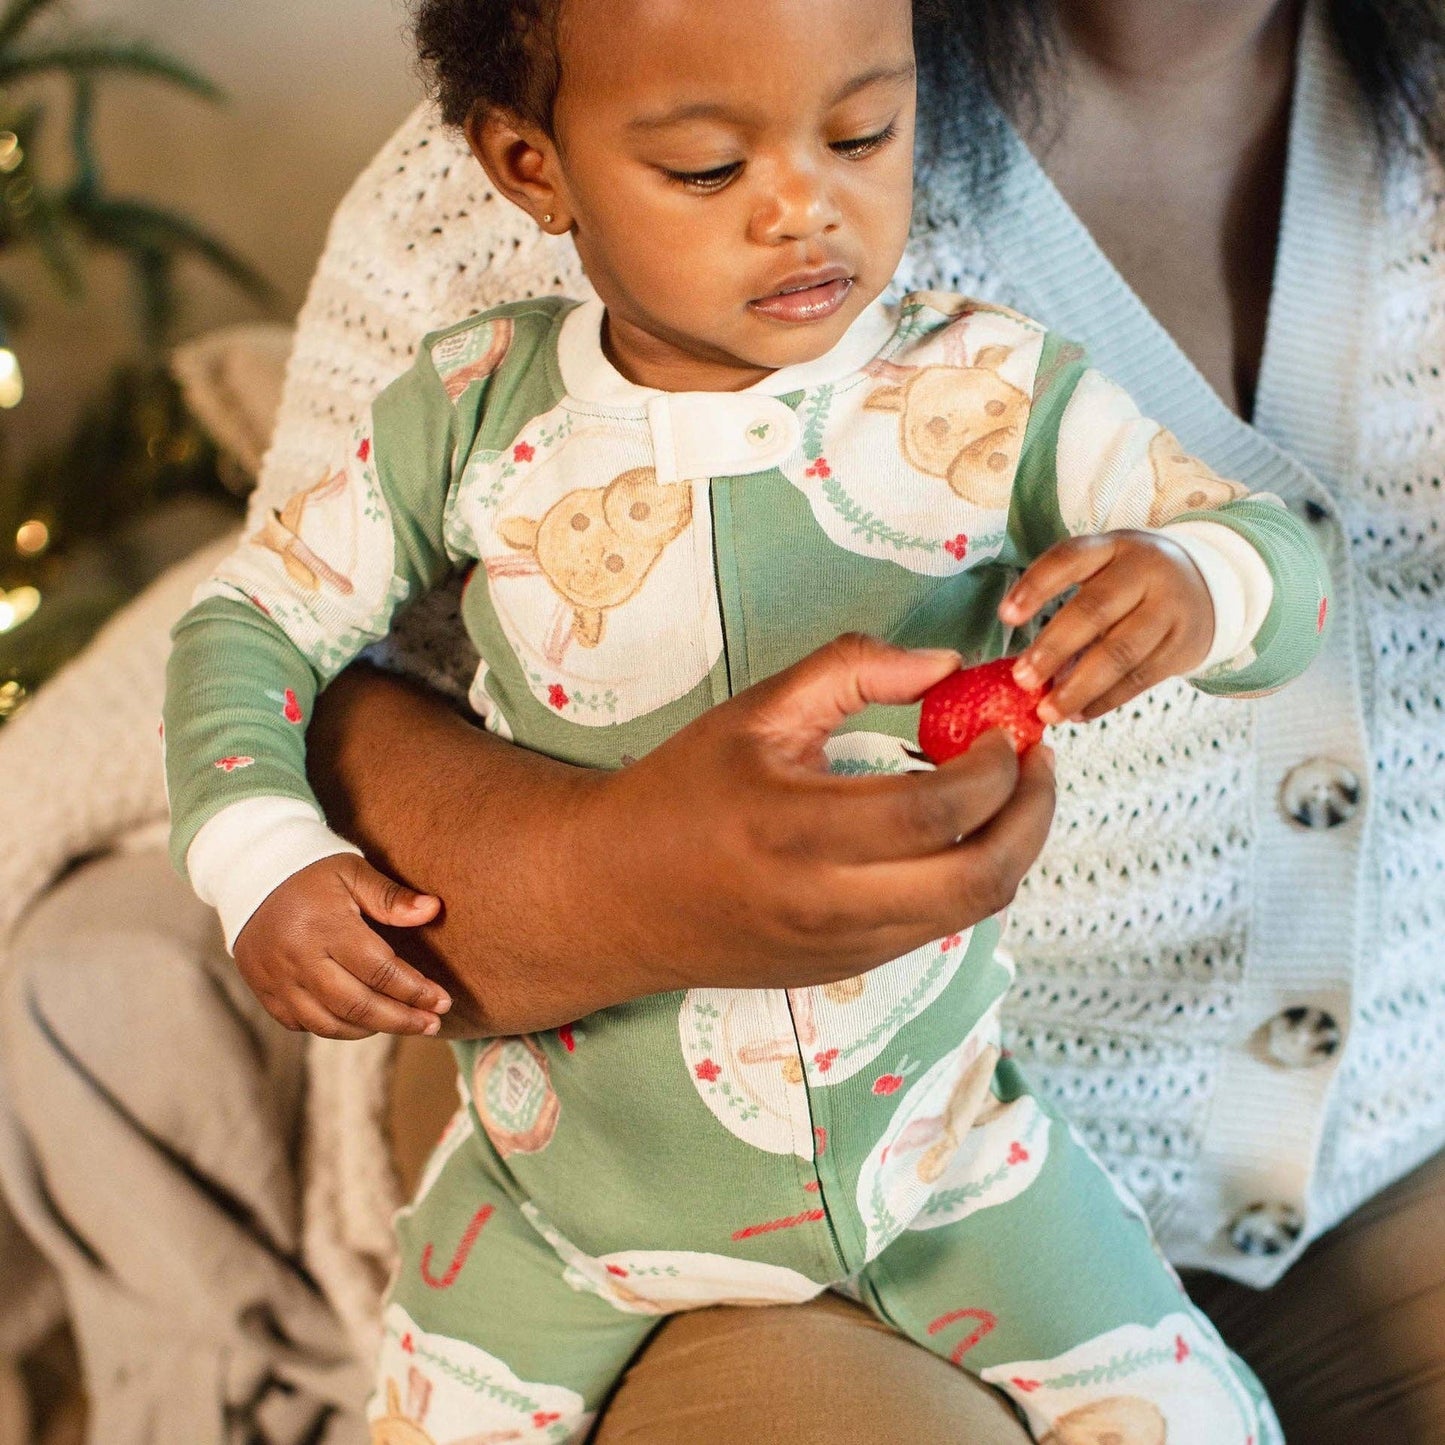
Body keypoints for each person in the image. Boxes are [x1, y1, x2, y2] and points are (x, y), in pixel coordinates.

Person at [5, 0, 1444, 1441]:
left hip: (950, 1159)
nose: (804, 210)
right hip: (568, 1183)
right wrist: (272, 852)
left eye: (866, 135)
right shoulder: (471, 397)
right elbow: (259, 626)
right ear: (527, 170)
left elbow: (1254, 550)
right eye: (704, 171)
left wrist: (1191, 580)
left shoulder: (975, 387)